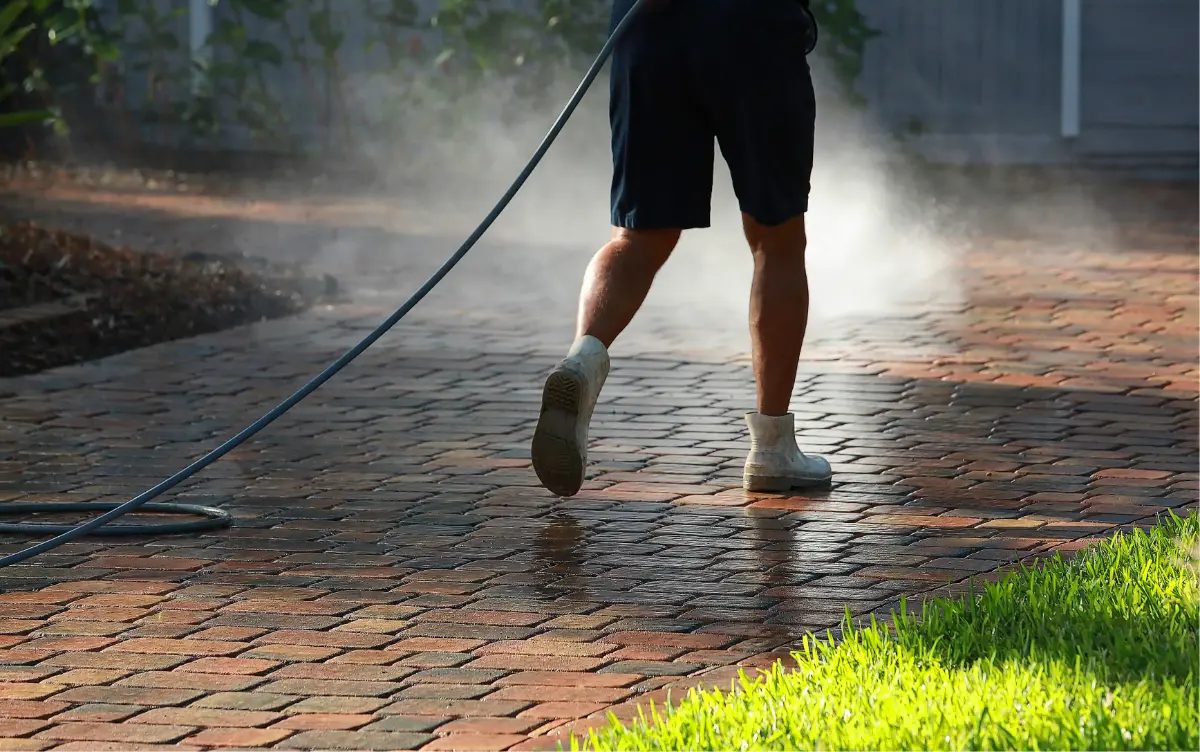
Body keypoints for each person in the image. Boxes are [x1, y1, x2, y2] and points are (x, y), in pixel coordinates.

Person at [531, 0, 831, 497]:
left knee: (636, 237)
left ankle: (582, 361)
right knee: (776, 238)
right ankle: (773, 447)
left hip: (648, 26)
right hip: (750, 29)